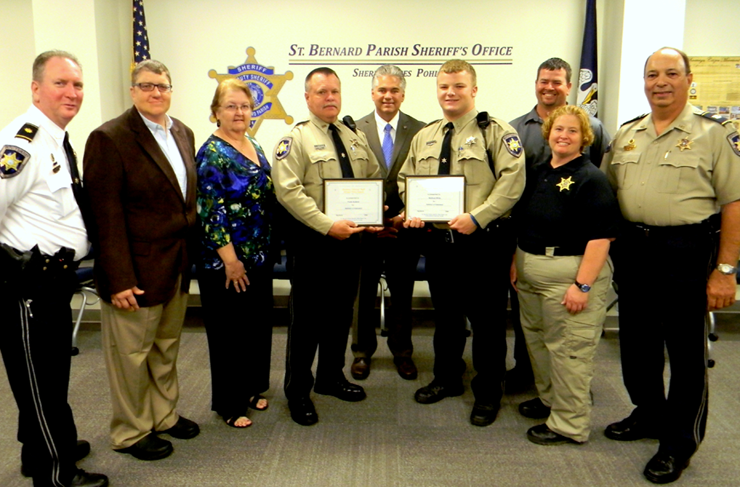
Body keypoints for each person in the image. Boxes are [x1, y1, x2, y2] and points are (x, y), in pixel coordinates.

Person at [603, 47, 740, 484]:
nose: (660, 82)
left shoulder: (713, 134)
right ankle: (648, 413)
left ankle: (680, 441)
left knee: (684, 352)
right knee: (637, 343)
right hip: (633, 249)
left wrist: (725, 270)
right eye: (652, 74)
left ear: (688, 79)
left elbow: (734, 203)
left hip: (684, 248)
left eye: (670, 74)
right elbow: (604, 194)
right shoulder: (626, 134)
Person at [0, 50, 108, 487]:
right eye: (61, 83)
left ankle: (42, 447)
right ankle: (55, 473)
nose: (72, 92)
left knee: (49, 376)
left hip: (54, 280)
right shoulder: (21, 143)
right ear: (35, 88)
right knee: (41, 385)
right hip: (27, 285)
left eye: (77, 85)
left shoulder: (55, 137)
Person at [398, 59, 525, 426]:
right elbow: (408, 178)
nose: (449, 93)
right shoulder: (427, 135)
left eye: (457, 86)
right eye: (443, 87)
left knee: (486, 322)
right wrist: (414, 207)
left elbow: (511, 183)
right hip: (439, 242)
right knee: (447, 318)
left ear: (473, 89)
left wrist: (477, 217)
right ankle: (447, 378)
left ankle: (488, 392)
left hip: (483, 242)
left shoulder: (497, 132)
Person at [83, 59, 199, 461]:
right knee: (131, 357)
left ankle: (163, 415)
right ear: (132, 90)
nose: (156, 93)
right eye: (147, 86)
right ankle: (130, 431)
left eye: (163, 86)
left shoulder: (182, 131)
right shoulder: (110, 138)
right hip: (134, 271)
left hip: (175, 265)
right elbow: (105, 216)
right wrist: (117, 278)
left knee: (165, 348)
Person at [272, 67, 381, 426]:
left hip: (350, 242)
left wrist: (372, 210)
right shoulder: (296, 140)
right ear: (307, 98)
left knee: (338, 315)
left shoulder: (354, 137)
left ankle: (331, 377)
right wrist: (326, 224)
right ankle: (298, 391)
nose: (330, 97)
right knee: (306, 322)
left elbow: (371, 179)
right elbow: (288, 192)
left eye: (334, 91)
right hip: (314, 243)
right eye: (321, 92)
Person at [511, 105, 620, 445]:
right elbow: (525, 222)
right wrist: (516, 262)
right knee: (540, 343)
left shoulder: (592, 178)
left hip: (570, 275)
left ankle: (569, 424)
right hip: (530, 271)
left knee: (569, 350)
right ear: (548, 132)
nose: (564, 136)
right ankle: (551, 402)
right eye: (559, 129)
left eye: (573, 131)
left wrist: (582, 285)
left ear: (584, 137)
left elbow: (602, 238)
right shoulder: (539, 171)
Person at [507, 57, 611, 392]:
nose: (549, 87)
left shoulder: (593, 135)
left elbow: (598, 211)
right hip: (529, 244)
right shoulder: (515, 128)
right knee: (533, 330)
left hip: (570, 256)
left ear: (568, 86)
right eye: (543, 81)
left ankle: (569, 400)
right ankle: (538, 384)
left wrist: (583, 283)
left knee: (567, 341)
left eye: (557, 82)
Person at [196, 78, 275, 428]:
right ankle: (229, 404)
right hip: (227, 263)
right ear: (216, 112)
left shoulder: (253, 143)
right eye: (231, 106)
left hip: (258, 257)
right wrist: (230, 261)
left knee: (254, 328)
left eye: (245, 106)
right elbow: (211, 213)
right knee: (229, 334)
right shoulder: (211, 154)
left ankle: (251, 388)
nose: (240, 112)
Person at [350, 65, 425, 381]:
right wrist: (371, 220)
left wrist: (400, 216)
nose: (388, 96)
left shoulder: (421, 130)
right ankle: (361, 352)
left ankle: (402, 352)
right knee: (362, 293)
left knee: (402, 294)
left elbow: (423, 179)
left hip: (405, 228)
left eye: (394, 90)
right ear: (372, 93)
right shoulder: (353, 128)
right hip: (364, 231)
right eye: (382, 90)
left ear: (403, 94)